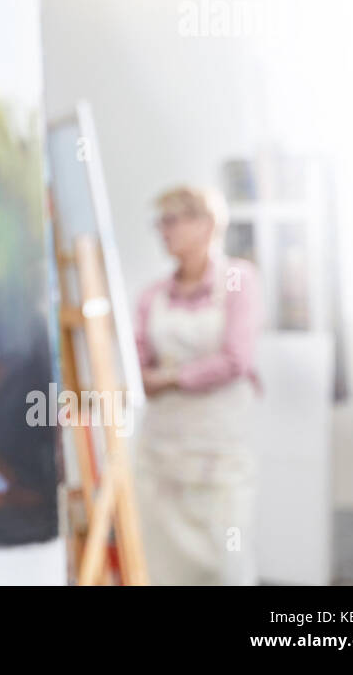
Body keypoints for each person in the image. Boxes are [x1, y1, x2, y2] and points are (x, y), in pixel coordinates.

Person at [134, 185, 262, 585]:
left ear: (206, 224)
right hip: (162, 454)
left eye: (171, 220)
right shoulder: (151, 296)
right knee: (164, 567)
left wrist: (170, 377)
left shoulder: (239, 280)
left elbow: (236, 360)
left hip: (218, 452)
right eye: (160, 222)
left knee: (224, 560)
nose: (163, 231)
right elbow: (134, 364)